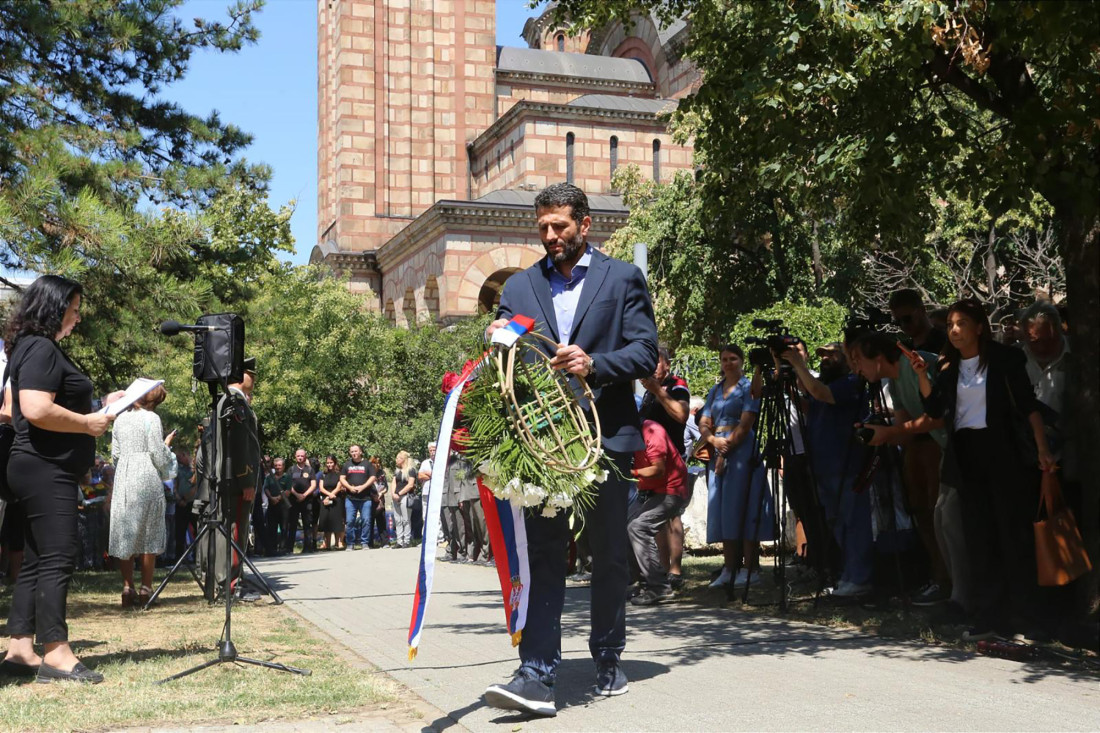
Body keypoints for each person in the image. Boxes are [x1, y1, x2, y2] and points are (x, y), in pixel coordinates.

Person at [482, 183, 658, 716]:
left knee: (607, 554)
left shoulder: (623, 277)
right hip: (542, 443)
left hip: (607, 439)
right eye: (542, 228)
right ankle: (536, 672)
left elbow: (646, 351)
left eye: (559, 226)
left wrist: (596, 364)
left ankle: (607, 656)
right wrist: (497, 338)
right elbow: (509, 349)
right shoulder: (519, 286)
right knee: (542, 556)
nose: (551, 236)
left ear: (585, 224)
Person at [915, 299, 1054, 641]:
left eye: (962, 323)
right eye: (950, 324)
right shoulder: (948, 367)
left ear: (979, 327)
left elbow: (1028, 406)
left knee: (1012, 536)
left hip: (1003, 454)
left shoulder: (1005, 359)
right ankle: (988, 616)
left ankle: (1024, 616)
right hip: (968, 457)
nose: (954, 330)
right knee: (979, 538)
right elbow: (933, 407)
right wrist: (922, 373)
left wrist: (1042, 447)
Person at [1, 275, 117, 684]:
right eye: (74, 308)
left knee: (35, 559)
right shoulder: (42, 347)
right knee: (58, 556)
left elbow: (27, 403)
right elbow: (33, 407)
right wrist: (88, 422)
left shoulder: (30, 348)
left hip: (34, 466)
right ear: (55, 308)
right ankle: (56, 652)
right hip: (44, 468)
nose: (78, 316)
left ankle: (19, 648)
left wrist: (104, 403)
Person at [851, 332, 959, 607]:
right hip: (937, 448)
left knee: (945, 518)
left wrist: (889, 433)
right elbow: (902, 430)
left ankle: (957, 588)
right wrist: (875, 432)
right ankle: (941, 580)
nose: (857, 368)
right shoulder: (895, 380)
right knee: (928, 514)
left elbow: (935, 419)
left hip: (953, 448)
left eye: (859, 360)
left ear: (878, 358)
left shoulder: (914, 365)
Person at [781, 339, 871, 597]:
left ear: (847, 359)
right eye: (823, 356)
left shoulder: (852, 383)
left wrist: (798, 364)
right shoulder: (829, 385)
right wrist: (789, 380)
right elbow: (812, 405)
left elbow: (820, 394)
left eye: (832, 355)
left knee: (854, 522)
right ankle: (848, 574)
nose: (825, 359)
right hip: (823, 466)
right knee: (837, 523)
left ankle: (861, 578)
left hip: (846, 464)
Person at [698, 345, 773, 589]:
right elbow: (704, 421)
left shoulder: (748, 387)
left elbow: (747, 421)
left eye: (732, 358)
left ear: (741, 361)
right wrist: (712, 441)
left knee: (745, 506)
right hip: (719, 448)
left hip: (741, 452)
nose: (728, 363)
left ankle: (751, 568)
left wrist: (726, 447)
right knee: (722, 509)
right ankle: (729, 568)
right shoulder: (716, 389)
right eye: (724, 359)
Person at [108, 384, 178, 607]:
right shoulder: (152, 419)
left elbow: (115, 455)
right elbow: (157, 452)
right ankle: (146, 588)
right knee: (150, 530)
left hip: (125, 476)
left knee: (124, 530)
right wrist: (168, 450)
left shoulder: (119, 419)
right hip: (146, 474)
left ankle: (127, 587)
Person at [194, 359, 261, 591]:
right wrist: (247, 479)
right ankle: (230, 582)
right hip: (236, 479)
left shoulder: (229, 401)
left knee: (230, 529)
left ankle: (228, 580)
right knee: (233, 530)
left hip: (231, 478)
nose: (254, 378)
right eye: (251, 373)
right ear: (240, 375)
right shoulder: (235, 401)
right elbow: (238, 445)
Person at [639, 344, 691, 591]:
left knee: (672, 515)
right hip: (653, 463)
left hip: (673, 461)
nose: (652, 367)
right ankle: (660, 568)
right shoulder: (648, 391)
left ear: (667, 364)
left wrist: (658, 390)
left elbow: (681, 416)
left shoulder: (676, 384)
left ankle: (675, 570)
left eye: (656, 361)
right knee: (656, 520)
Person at [628, 419, 690, 606]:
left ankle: (659, 586)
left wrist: (631, 472)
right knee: (624, 525)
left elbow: (658, 469)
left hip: (670, 491)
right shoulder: (631, 433)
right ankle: (643, 583)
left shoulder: (652, 431)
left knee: (638, 527)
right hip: (650, 492)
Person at [889, 288, 947, 355]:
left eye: (907, 319)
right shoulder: (903, 350)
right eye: (897, 322)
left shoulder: (946, 343)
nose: (903, 325)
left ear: (922, 310)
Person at [340, 444, 376, 550]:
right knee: (350, 521)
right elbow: (342, 478)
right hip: (350, 498)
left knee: (366, 520)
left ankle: (365, 542)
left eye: (356, 451)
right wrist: (349, 487)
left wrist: (363, 487)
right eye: (352, 452)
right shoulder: (347, 465)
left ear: (360, 452)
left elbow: (373, 477)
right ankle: (350, 543)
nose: (354, 453)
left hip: (365, 498)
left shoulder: (367, 464)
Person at [286, 449, 317, 553]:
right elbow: (288, 485)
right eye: (298, 455)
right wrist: (296, 494)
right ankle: (289, 548)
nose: (300, 457)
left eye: (302, 456)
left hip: (307, 500)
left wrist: (304, 495)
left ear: (305, 457)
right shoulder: (291, 469)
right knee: (293, 524)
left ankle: (308, 547)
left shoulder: (310, 470)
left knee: (307, 524)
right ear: (295, 456)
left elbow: (313, 485)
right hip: (293, 500)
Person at [263, 457, 292, 554]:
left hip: (283, 506)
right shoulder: (269, 477)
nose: (277, 467)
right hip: (272, 505)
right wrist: (271, 498)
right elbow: (266, 488)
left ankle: (283, 548)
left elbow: (288, 491)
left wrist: (278, 498)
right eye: (276, 466)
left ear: (283, 466)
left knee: (284, 527)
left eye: (279, 465)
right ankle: (272, 549)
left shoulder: (287, 477)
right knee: (272, 527)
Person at [316, 455, 345, 550]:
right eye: (328, 463)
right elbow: (321, 488)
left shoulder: (339, 474)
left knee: (337, 522)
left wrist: (331, 495)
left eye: (331, 462)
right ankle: (327, 544)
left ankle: (339, 543)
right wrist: (328, 496)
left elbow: (339, 487)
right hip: (325, 501)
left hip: (337, 499)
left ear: (335, 463)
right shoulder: (323, 474)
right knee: (326, 523)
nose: (329, 465)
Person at [173, 447, 196, 563]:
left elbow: (196, 485)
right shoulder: (178, 469)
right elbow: (174, 486)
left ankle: (198, 556)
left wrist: (186, 498)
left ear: (185, 454)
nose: (178, 459)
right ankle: (179, 558)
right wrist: (179, 499)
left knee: (197, 529)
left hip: (194, 503)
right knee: (179, 532)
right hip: (181, 503)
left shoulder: (194, 468)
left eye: (179, 457)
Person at [391, 451, 416, 548]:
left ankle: (407, 540)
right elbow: (394, 483)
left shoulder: (411, 470)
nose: (396, 460)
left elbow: (410, 484)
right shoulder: (397, 471)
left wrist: (399, 493)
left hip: (406, 496)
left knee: (406, 519)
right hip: (396, 497)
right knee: (397, 519)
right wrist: (393, 494)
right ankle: (399, 541)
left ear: (403, 459)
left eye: (398, 458)